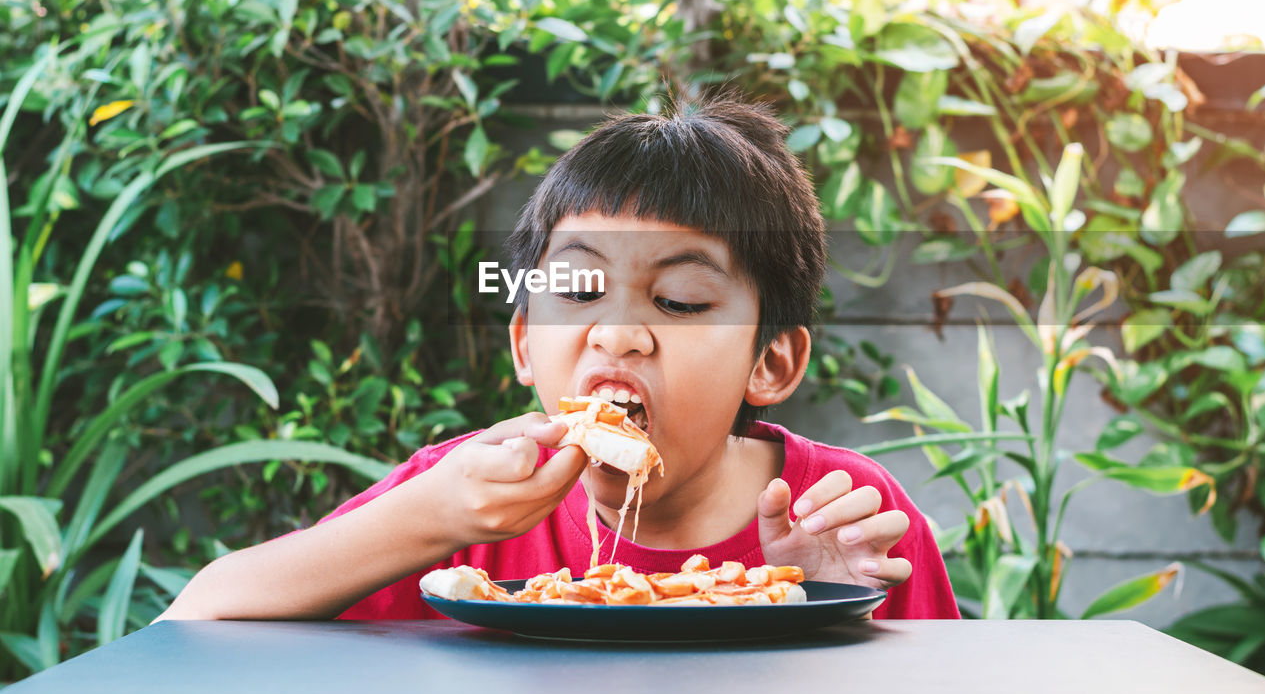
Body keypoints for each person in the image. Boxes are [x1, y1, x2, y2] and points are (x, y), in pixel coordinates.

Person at [158, 97, 959, 621]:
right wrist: (429, 516)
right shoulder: (459, 502)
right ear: (521, 342)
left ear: (771, 362)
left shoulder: (841, 514)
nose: (617, 334)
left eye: (679, 300)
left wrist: (822, 603)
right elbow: (196, 623)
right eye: (576, 291)